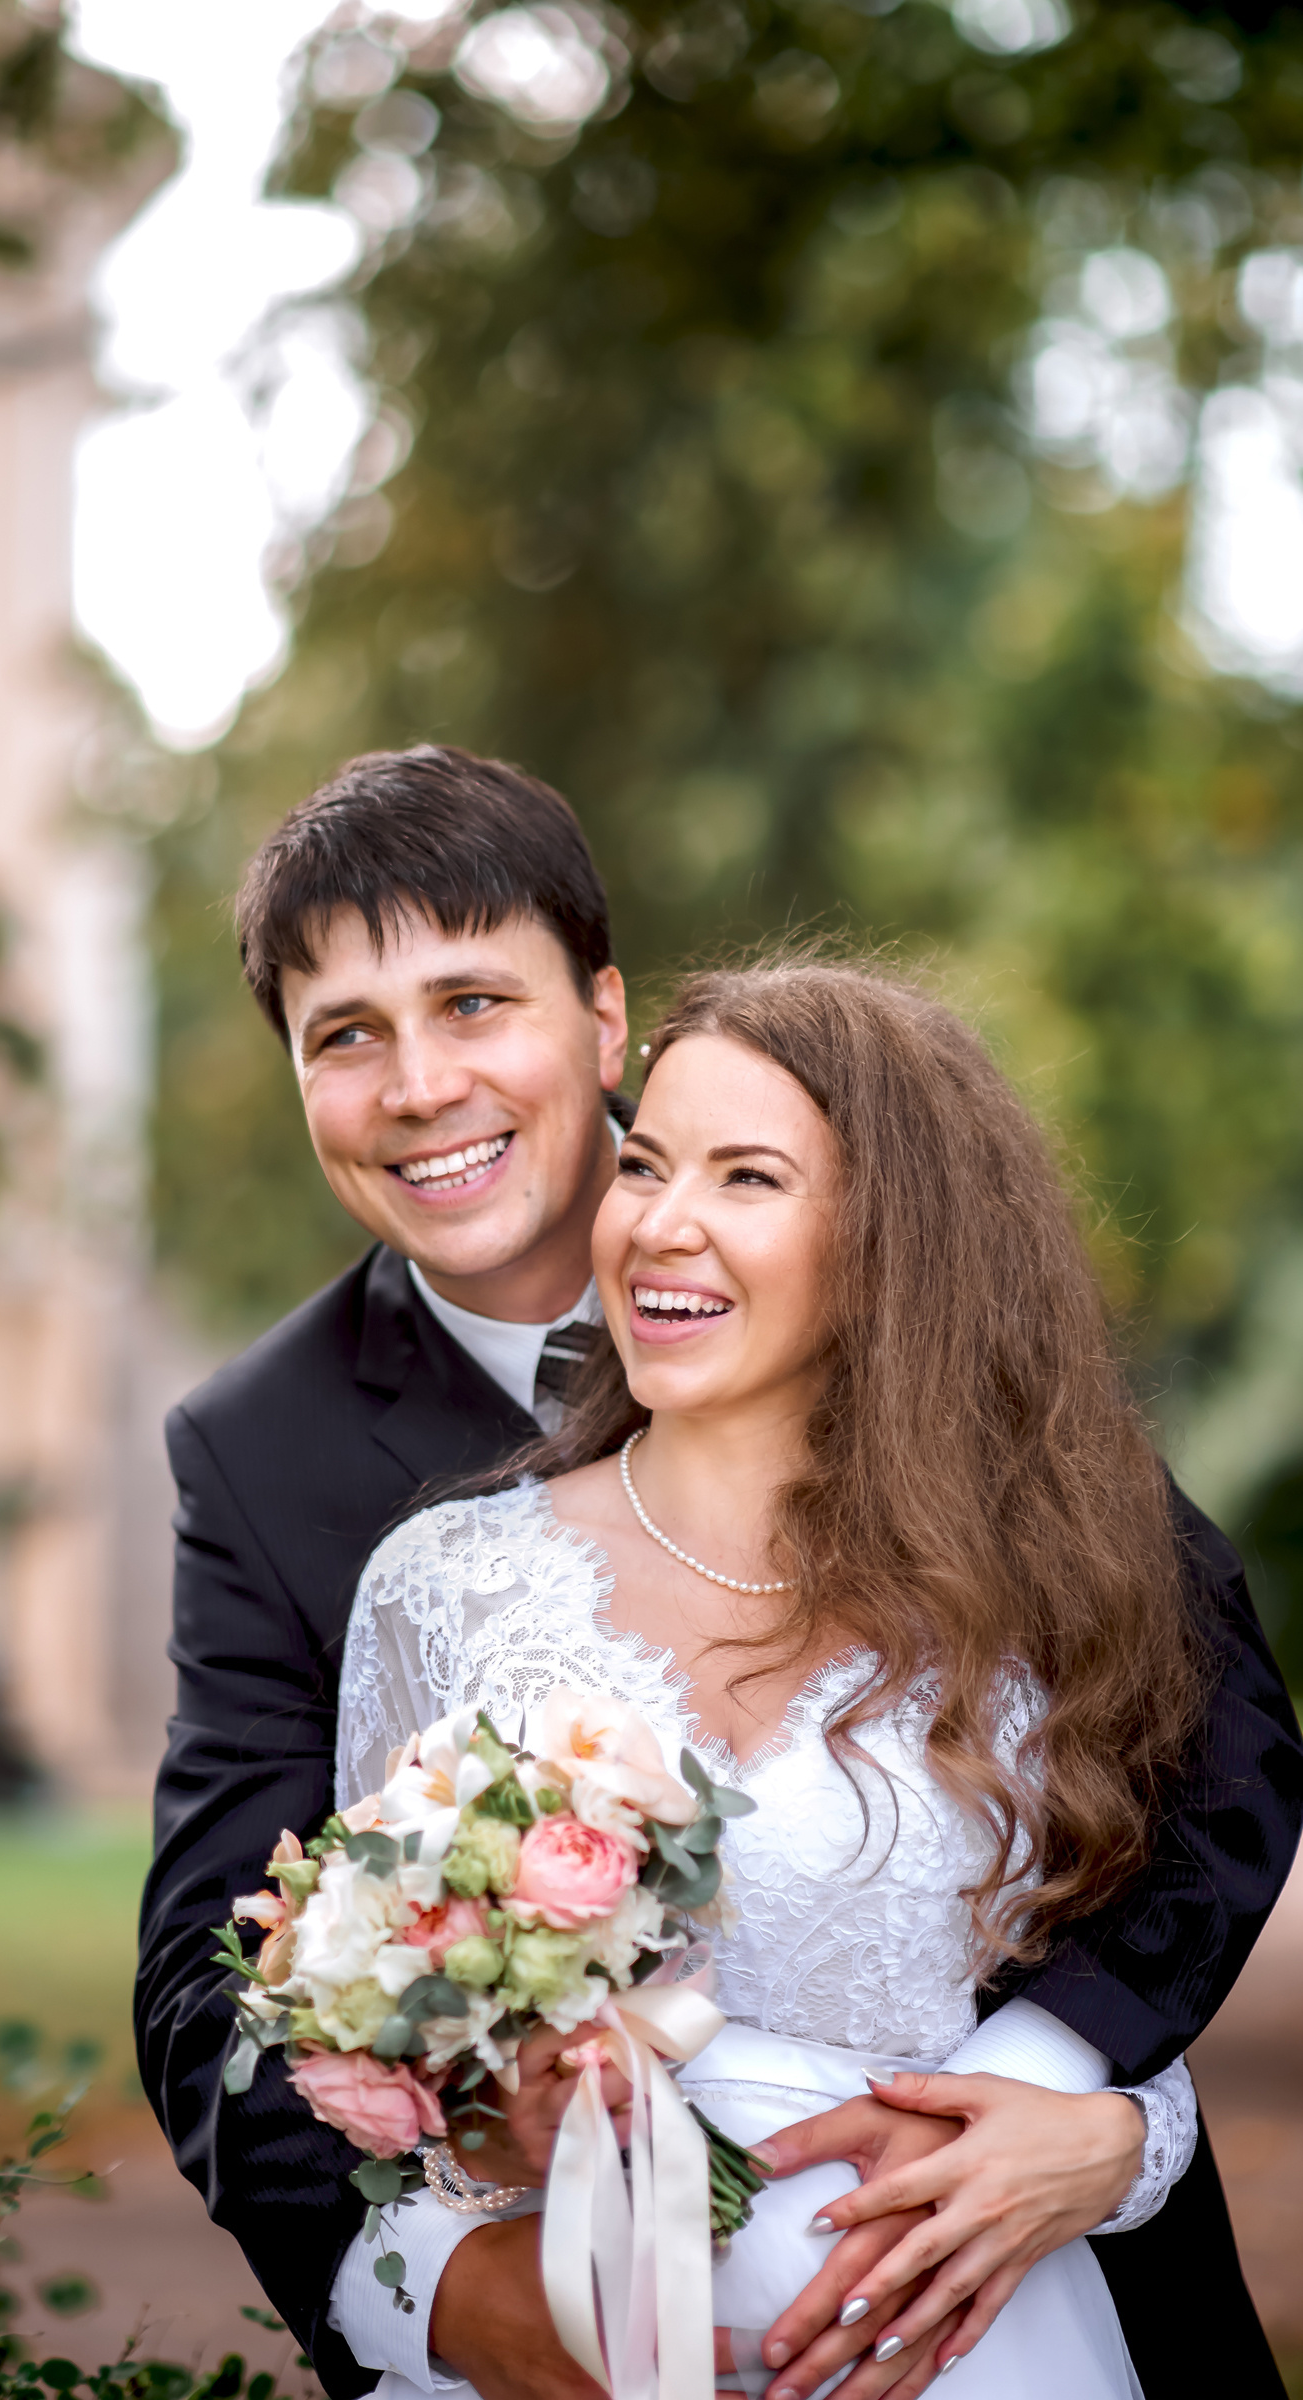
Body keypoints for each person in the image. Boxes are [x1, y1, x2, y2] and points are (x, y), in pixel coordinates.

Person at [134, 747, 1303, 2400]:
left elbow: (1221, 1750)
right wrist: (441, 2295)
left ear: (601, 1019)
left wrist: (1101, 2113)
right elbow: (223, 1969)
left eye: (474, 1004)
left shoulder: (964, 1393)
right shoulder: (278, 1465)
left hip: (1010, 2308)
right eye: (345, 1036)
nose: (417, 1086)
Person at [331, 955, 1238, 2397]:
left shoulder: (1058, 1595)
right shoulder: (443, 1584)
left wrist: (1120, 2141)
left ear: (893, 1243)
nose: (660, 1226)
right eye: (643, 1166)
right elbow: (391, 2082)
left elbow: (1144, 1954)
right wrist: (492, 2132)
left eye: (746, 1179)